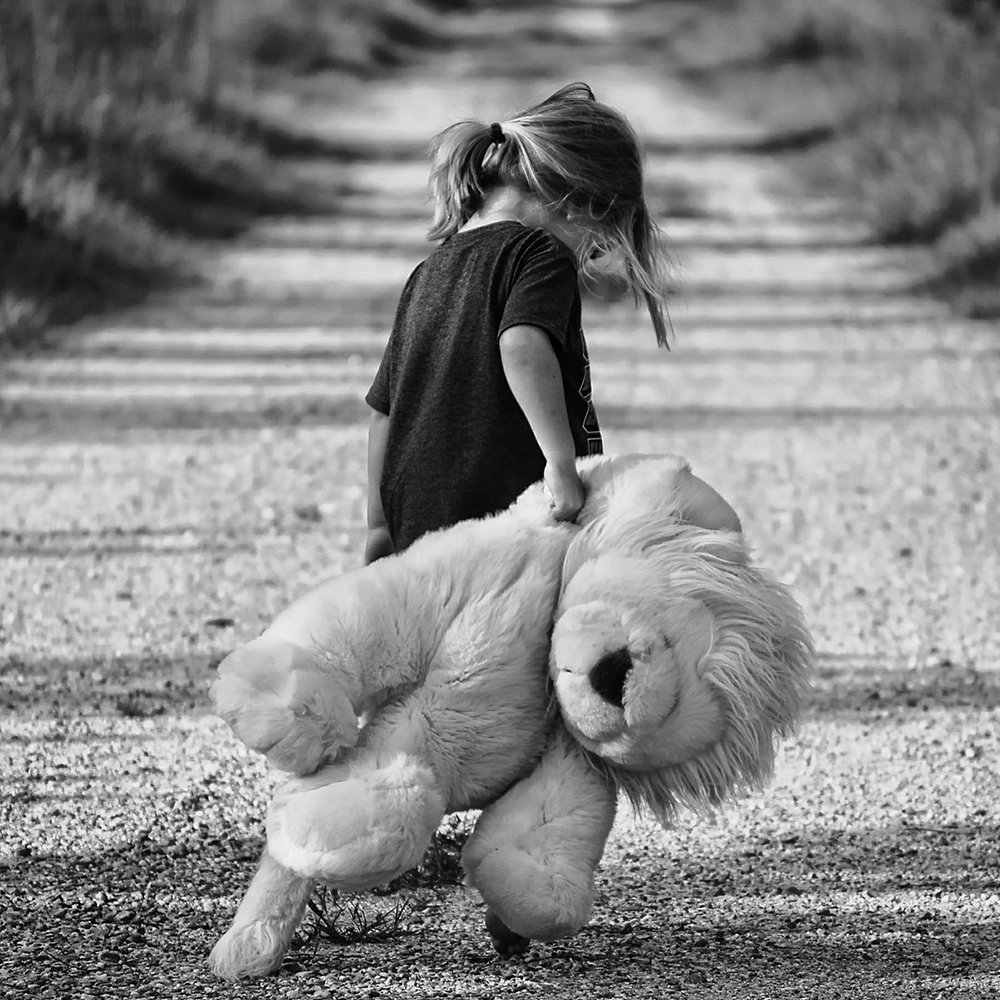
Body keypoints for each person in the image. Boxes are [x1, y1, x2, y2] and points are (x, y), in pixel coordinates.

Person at [364, 82, 671, 564]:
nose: (594, 254)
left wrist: (379, 525)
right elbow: (522, 344)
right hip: (505, 516)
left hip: (417, 523)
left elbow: (385, 411)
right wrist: (560, 462)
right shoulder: (540, 253)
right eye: (600, 239)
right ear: (576, 201)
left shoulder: (429, 270)